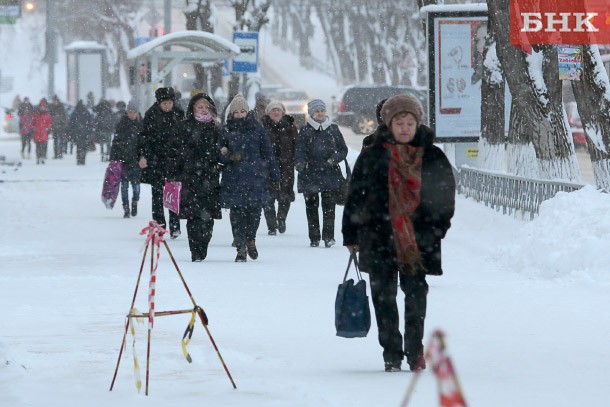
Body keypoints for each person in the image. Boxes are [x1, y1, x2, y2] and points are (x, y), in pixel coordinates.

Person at [341, 94, 456, 373]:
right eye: (399, 122)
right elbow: (355, 194)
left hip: (418, 241)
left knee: (416, 297)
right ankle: (391, 352)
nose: (405, 128)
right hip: (378, 236)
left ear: (417, 124)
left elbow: (445, 197)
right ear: (389, 124)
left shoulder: (433, 156)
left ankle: (415, 351)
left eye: (410, 122)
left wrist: (437, 228)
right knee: (384, 297)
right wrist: (351, 234)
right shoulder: (373, 154)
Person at [217, 94, 280, 262]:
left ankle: (251, 239)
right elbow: (219, 155)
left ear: (247, 111)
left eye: (242, 111)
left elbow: (268, 153)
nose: (239, 114)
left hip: (255, 178)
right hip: (234, 179)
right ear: (231, 113)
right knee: (236, 214)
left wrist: (275, 174)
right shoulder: (226, 129)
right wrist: (228, 155)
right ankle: (240, 247)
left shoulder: (257, 128)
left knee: (254, 213)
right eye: (236, 111)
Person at [166, 93, 221, 261]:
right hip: (189, 176)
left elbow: (223, 150)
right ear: (193, 108)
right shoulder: (183, 127)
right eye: (199, 106)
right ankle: (195, 250)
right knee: (193, 216)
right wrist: (174, 173)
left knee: (208, 217)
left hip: (210, 176)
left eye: (206, 107)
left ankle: (203, 244)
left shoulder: (217, 127)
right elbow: (173, 152)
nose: (203, 110)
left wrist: (221, 160)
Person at [295, 99, 348, 248]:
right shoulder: (305, 130)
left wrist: (333, 159)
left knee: (329, 207)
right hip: (310, 173)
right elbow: (299, 150)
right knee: (311, 207)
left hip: (329, 172)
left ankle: (328, 236)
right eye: (317, 111)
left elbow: (343, 150)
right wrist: (300, 163)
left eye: (322, 110)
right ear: (311, 113)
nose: (320, 113)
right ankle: (314, 237)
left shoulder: (333, 129)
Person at [137, 87, 183, 238]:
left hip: (173, 160)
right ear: (159, 103)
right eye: (165, 103)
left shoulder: (179, 114)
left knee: (173, 193)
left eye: (170, 102)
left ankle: (175, 226)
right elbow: (144, 138)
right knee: (157, 195)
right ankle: (159, 225)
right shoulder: (151, 115)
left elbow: (184, 137)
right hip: (156, 159)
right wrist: (143, 156)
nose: (168, 106)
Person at [261, 100, 298, 235]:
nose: (276, 112)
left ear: (283, 113)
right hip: (267, 167)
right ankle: (271, 225)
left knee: (285, 195)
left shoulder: (290, 126)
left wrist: (296, 160)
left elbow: (296, 145)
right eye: (273, 110)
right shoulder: (262, 127)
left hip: (286, 165)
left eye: (278, 110)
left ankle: (281, 218)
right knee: (268, 197)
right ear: (268, 113)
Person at [110, 100, 142, 219]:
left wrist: (143, 156)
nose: (132, 114)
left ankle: (135, 201)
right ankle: (126, 208)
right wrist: (113, 158)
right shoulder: (122, 124)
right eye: (130, 112)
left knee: (136, 187)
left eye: (134, 112)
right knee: (124, 186)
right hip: (122, 160)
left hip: (136, 160)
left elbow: (144, 143)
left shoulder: (141, 125)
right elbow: (115, 142)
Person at [69, 100, 94, 165]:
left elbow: (71, 123)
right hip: (85, 132)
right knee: (84, 146)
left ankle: (78, 159)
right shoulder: (86, 112)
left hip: (77, 132)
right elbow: (90, 122)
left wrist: (72, 131)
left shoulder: (75, 112)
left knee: (78, 146)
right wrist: (89, 131)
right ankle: (83, 159)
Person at [33, 98, 52, 165]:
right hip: (38, 133)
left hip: (44, 133)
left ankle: (42, 157)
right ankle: (38, 157)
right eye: (41, 107)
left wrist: (48, 129)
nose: (42, 108)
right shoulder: (36, 114)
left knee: (43, 146)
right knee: (38, 146)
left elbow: (49, 122)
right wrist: (34, 128)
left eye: (44, 107)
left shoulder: (47, 114)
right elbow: (33, 122)